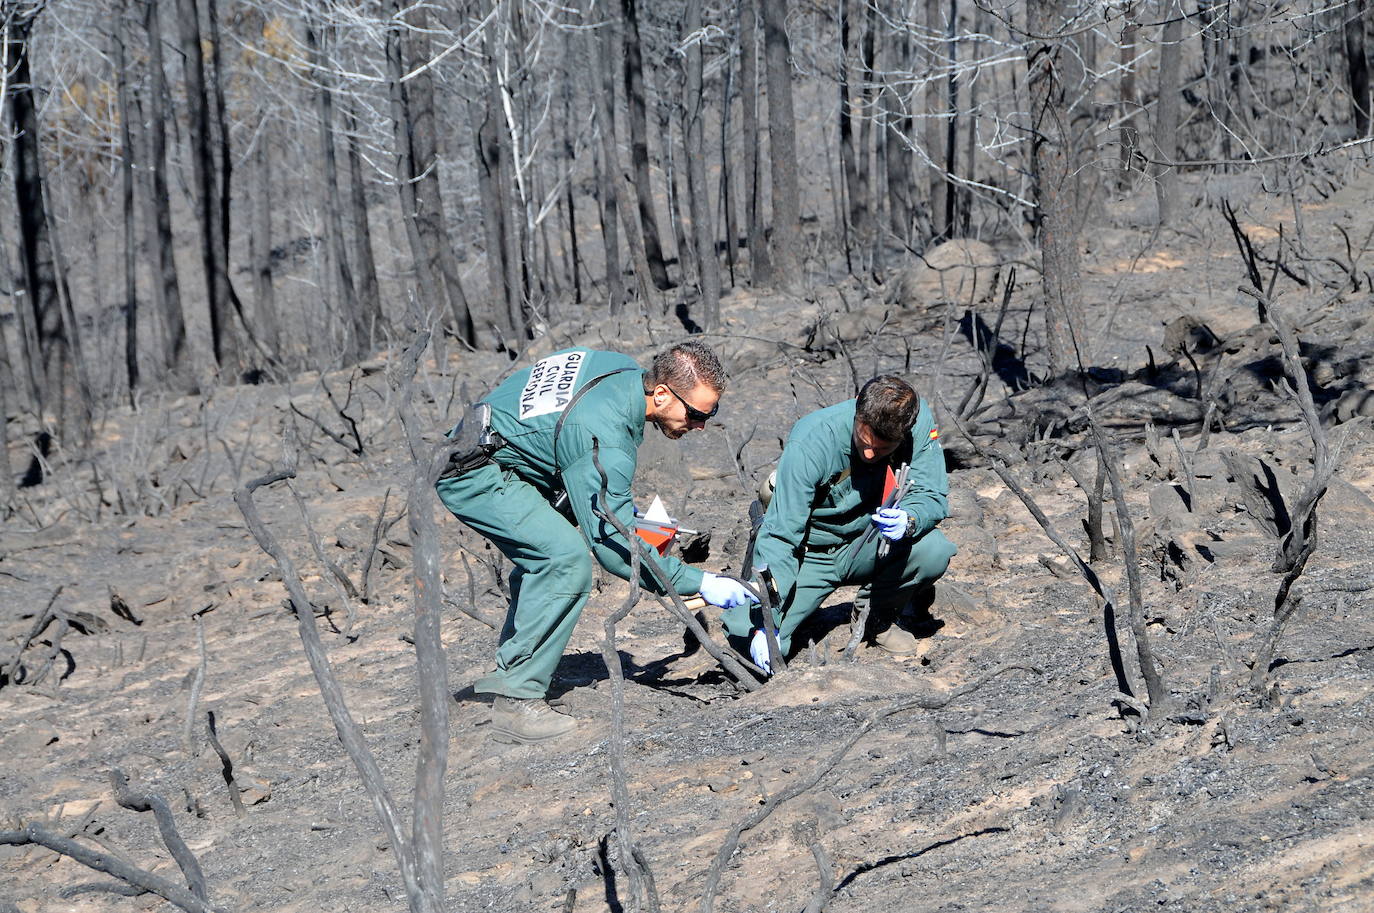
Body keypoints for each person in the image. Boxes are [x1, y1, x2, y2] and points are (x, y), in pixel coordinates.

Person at [436, 342, 755, 743]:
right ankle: (516, 702)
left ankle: (516, 670)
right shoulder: (604, 437)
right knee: (563, 561)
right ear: (661, 394)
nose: (701, 425)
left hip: (499, 449)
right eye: (696, 414)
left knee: (549, 553)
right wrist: (703, 583)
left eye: (711, 414)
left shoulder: (618, 368)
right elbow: (613, 548)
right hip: (473, 471)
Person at [722, 375, 957, 670]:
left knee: (933, 550)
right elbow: (782, 535)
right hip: (808, 554)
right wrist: (767, 620)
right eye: (864, 441)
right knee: (748, 635)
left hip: (868, 541)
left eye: (883, 450)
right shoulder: (813, 439)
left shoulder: (917, 421)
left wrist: (909, 519)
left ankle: (876, 616)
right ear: (858, 414)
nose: (870, 455)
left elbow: (931, 494)